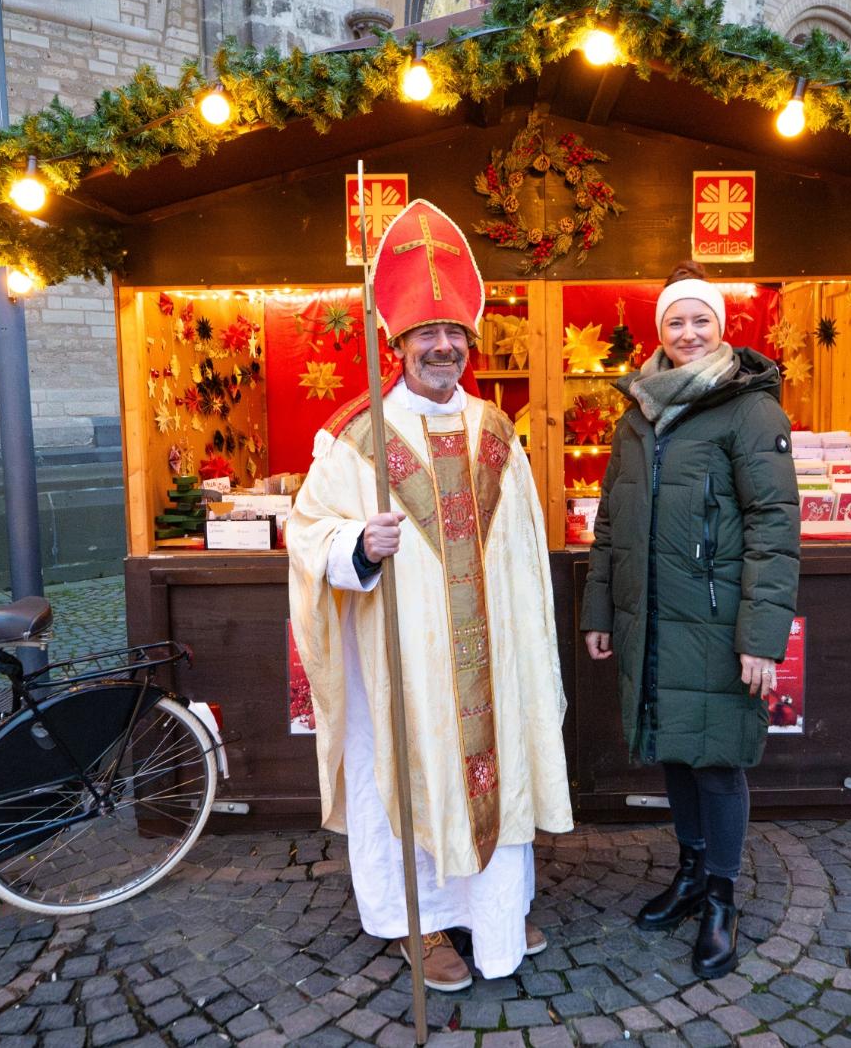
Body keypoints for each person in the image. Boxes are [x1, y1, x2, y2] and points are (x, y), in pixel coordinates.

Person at [287, 199, 574, 991]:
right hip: (406, 670)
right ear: (399, 342)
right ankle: (420, 925)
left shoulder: (498, 431)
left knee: (491, 769)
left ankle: (495, 912)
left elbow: (520, 557)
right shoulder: (355, 436)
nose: (442, 346)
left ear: (469, 343)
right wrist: (356, 548)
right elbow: (307, 533)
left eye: (454, 335)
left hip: (489, 662)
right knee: (409, 779)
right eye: (425, 334)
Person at [579, 260, 800, 981]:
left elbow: (774, 527)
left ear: (722, 325)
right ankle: (692, 875)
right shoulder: (639, 413)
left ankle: (723, 901)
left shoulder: (750, 409)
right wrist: (601, 609)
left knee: (718, 762)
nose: (688, 331)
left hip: (717, 617)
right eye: (675, 320)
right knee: (676, 747)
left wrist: (763, 639)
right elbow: (611, 523)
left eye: (700, 318)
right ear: (660, 331)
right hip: (655, 619)